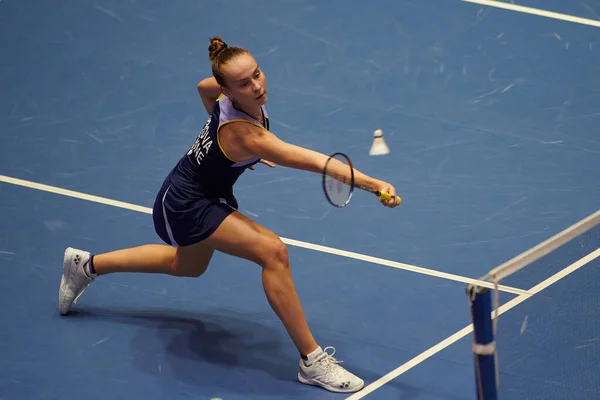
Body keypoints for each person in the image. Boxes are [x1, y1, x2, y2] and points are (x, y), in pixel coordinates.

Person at [58, 36, 400, 393]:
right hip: (187, 203)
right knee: (273, 251)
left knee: (186, 266)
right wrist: (375, 184)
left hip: (197, 190)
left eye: (257, 75)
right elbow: (318, 162)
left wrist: (236, 156)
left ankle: (85, 265)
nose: (256, 86)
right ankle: (311, 361)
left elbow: (203, 88)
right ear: (230, 91)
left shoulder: (223, 95)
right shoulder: (246, 134)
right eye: (244, 84)